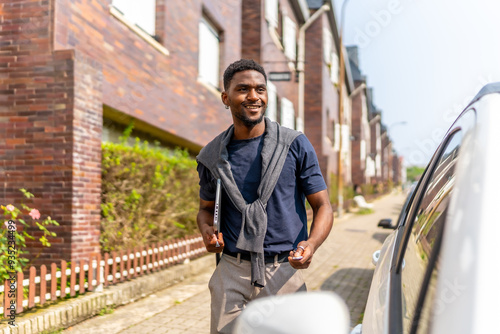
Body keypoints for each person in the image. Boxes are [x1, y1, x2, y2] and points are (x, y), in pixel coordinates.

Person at [196, 59, 333, 334]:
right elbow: (205, 209)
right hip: (232, 270)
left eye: (260, 89)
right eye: (243, 89)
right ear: (226, 97)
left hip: (283, 271)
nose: (253, 96)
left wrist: (312, 244)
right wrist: (207, 231)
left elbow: (323, 206)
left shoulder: (294, 144)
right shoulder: (212, 156)